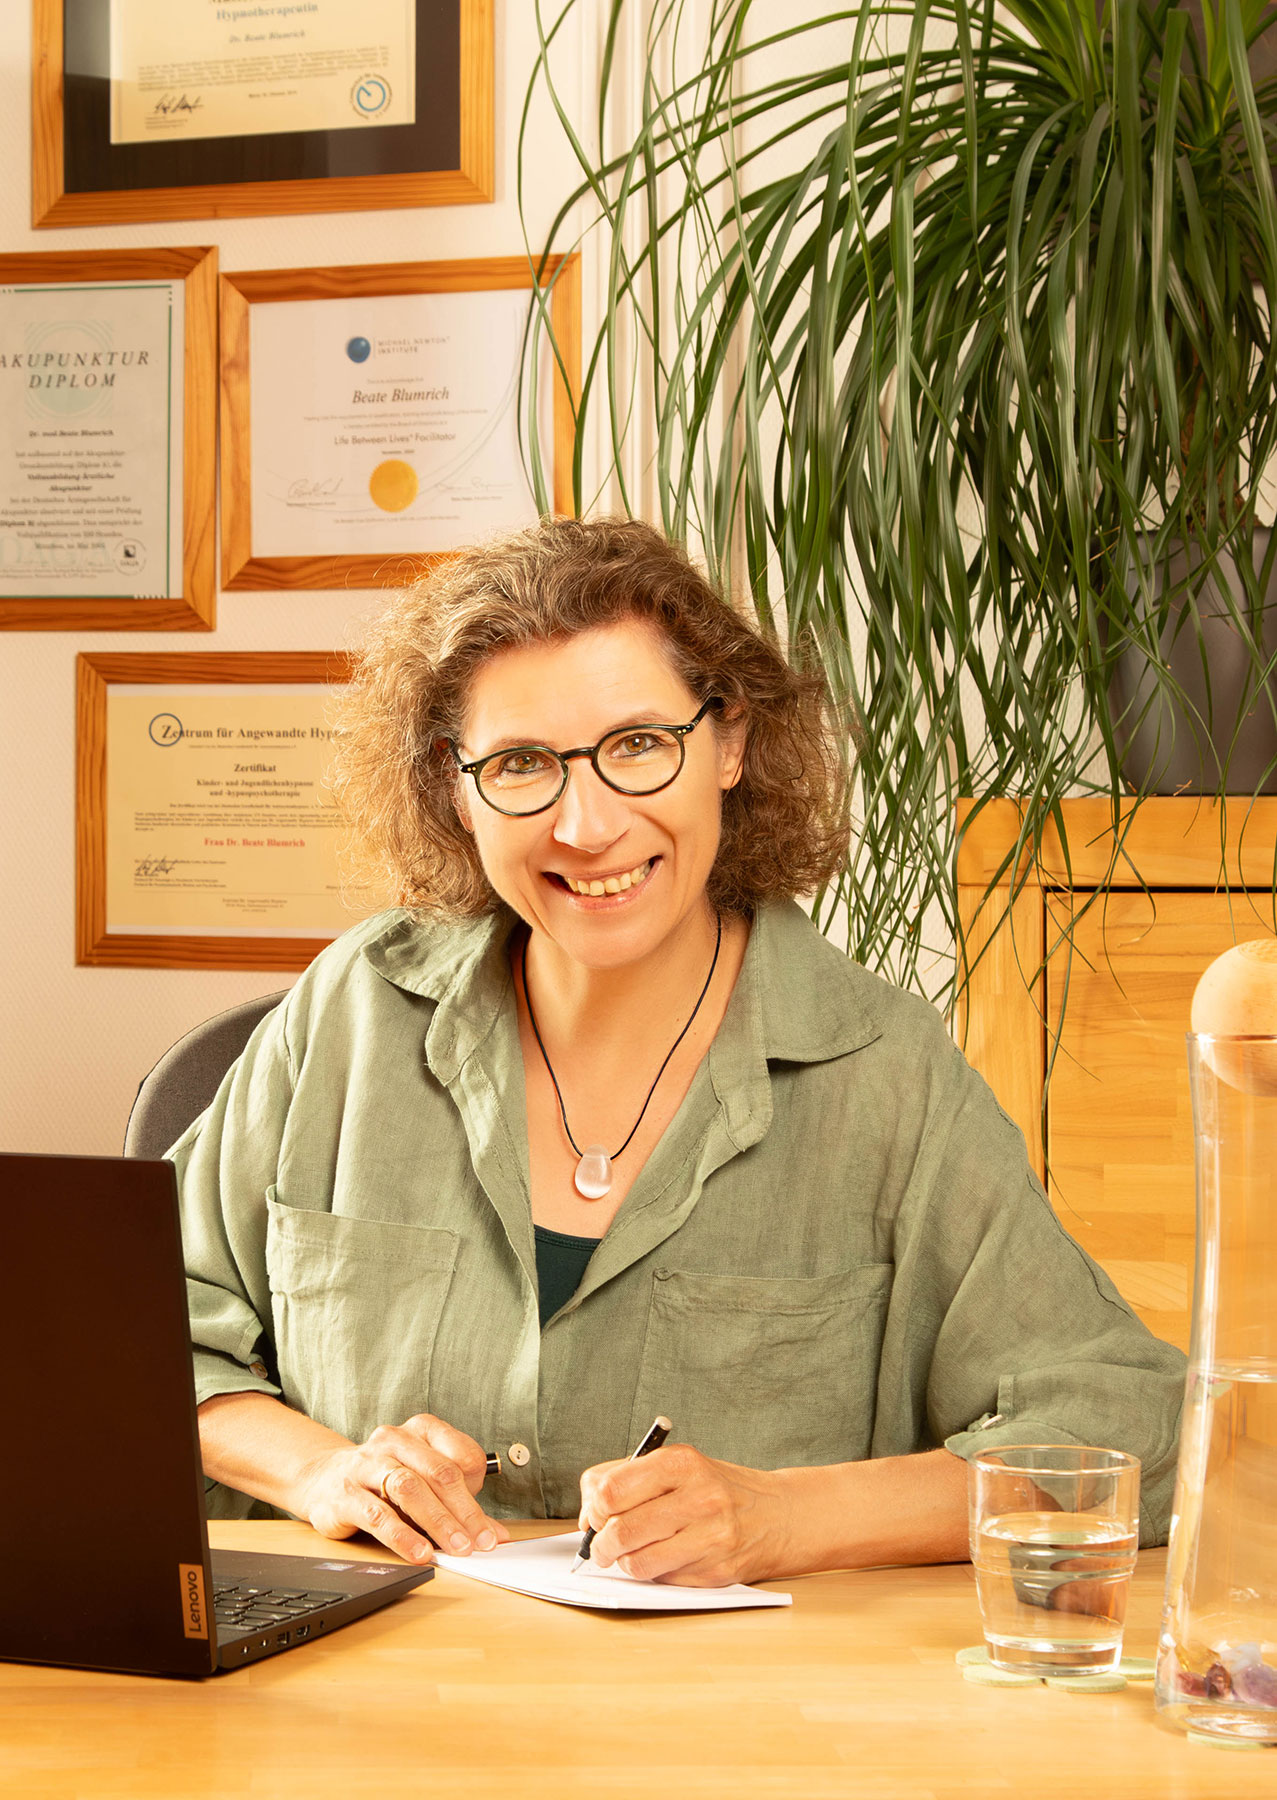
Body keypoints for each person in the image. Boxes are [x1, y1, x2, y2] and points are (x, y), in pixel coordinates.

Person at [175, 516, 1185, 1587]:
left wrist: (787, 1517)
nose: (586, 826)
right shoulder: (353, 1009)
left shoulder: (879, 1072)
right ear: (454, 787)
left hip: (732, 1696)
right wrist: (321, 1470)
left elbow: (1129, 1437)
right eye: (519, 764)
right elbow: (124, 1334)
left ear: (728, 742)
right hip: (367, 1682)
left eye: (637, 746)